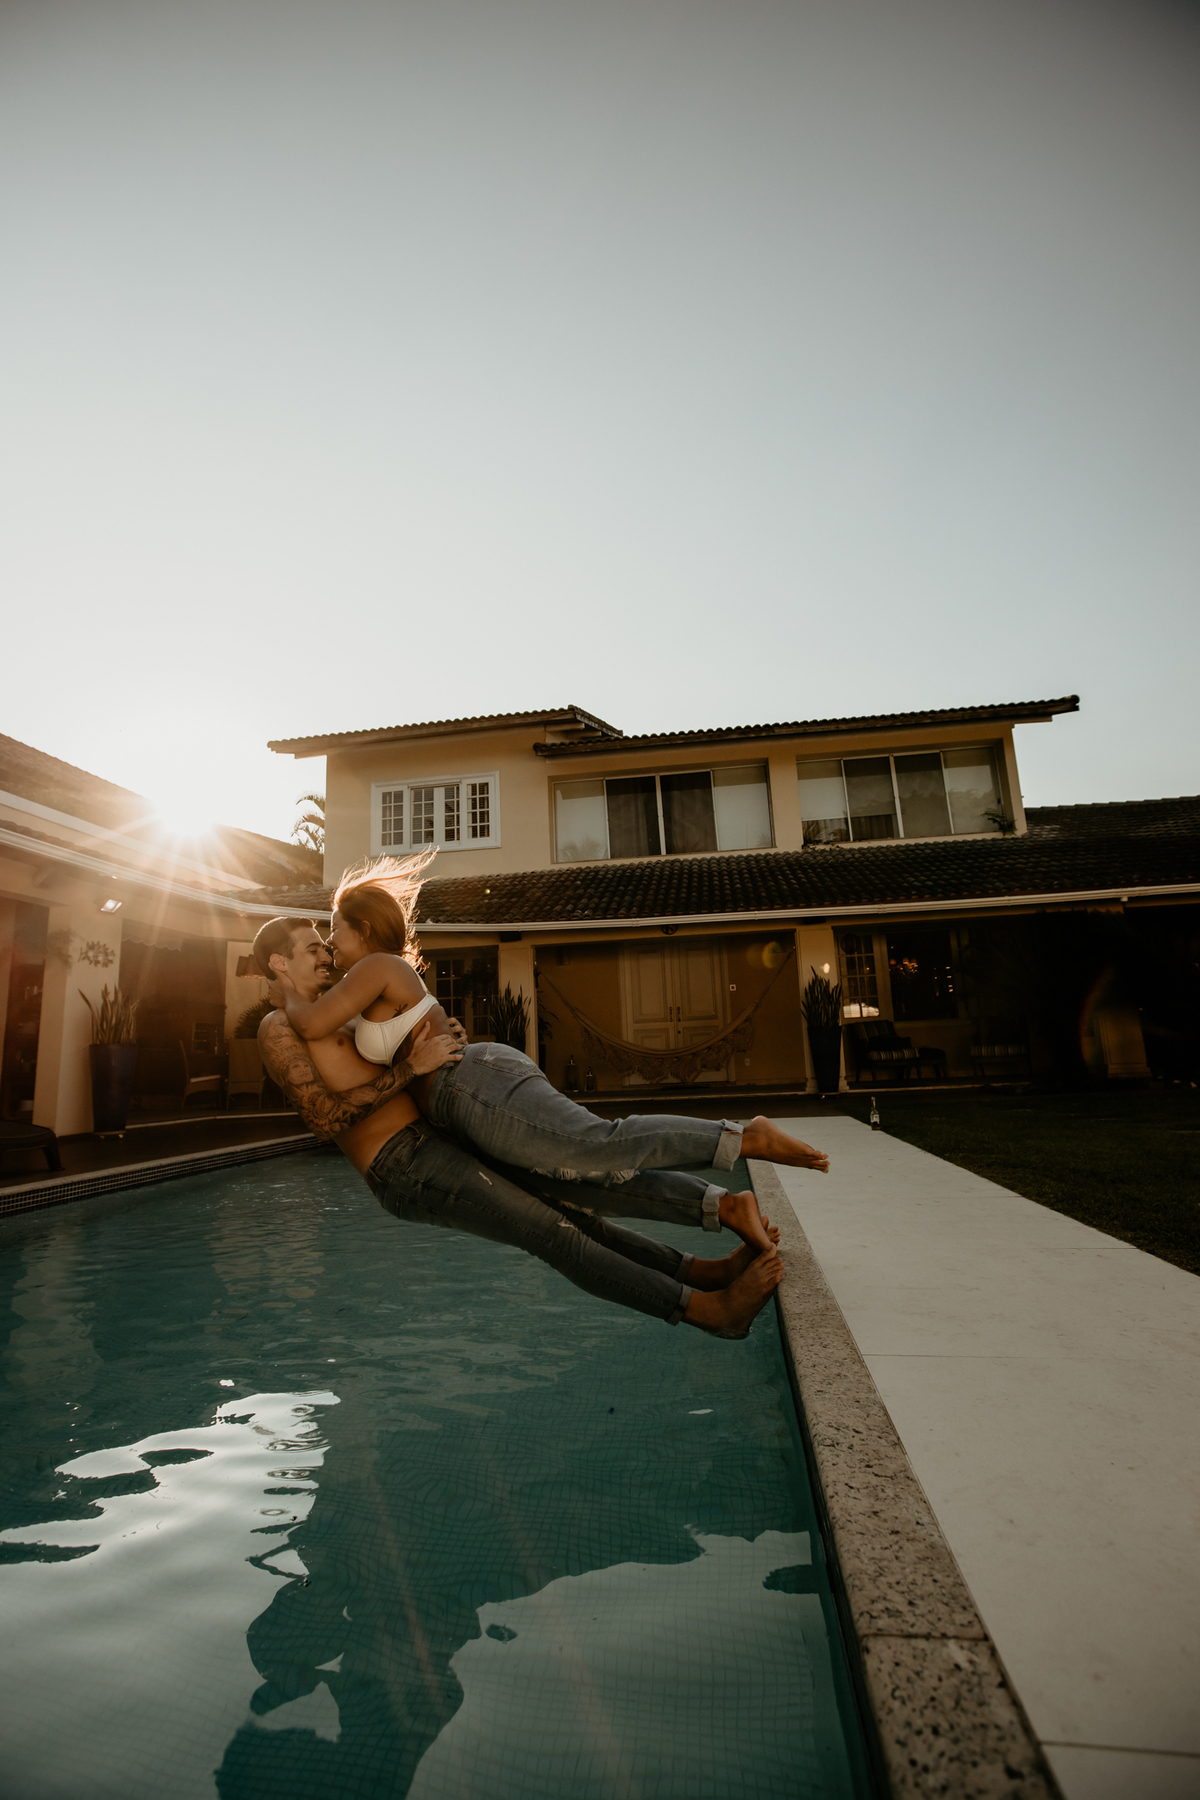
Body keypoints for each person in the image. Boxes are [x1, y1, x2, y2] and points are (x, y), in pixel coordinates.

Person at [268, 857, 831, 1255]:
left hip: (473, 1087)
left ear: (364, 928)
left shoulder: (375, 965)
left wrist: (284, 986)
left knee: (595, 1146)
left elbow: (311, 1021)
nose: (330, 944)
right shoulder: (370, 985)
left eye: (334, 931)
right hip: (460, 1102)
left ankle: (743, 1136)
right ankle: (723, 1207)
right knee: (575, 1182)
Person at [255, 919, 784, 1339]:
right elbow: (322, 1120)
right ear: (279, 962)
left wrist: (443, 1039)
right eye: (312, 948)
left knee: (573, 1211)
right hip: (401, 1164)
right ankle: (707, 1312)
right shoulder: (277, 1029)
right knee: (550, 1233)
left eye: (325, 945)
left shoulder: (336, 1016)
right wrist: (410, 1069)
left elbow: (401, 1049)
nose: (326, 954)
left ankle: (700, 1272)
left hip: (438, 1137)